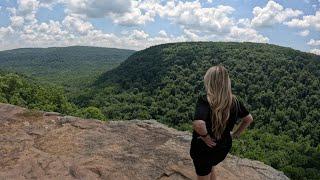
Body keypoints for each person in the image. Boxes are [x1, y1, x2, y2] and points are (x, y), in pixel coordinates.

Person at [189, 65, 254, 180]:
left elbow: (199, 124)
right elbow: (248, 119)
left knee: (203, 175)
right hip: (222, 148)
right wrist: (235, 134)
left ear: (209, 81)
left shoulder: (205, 100)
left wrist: (205, 136)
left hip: (204, 150)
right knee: (211, 166)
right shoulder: (234, 101)